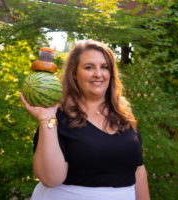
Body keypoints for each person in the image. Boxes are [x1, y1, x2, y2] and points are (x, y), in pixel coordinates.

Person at [20, 40, 150, 200]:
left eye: (104, 67)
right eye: (89, 67)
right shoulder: (57, 117)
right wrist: (46, 119)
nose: (98, 74)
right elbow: (50, 179)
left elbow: (138, 170)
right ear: (74, 73)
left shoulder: (123, 116)